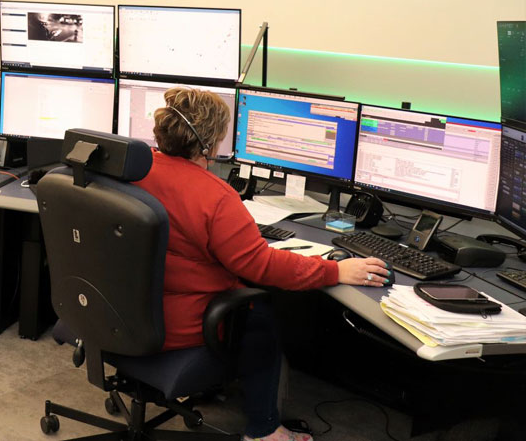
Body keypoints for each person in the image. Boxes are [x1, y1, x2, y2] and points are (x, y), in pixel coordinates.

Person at [132, 87, 389, 441]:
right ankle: (265, 430)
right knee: (258, 314)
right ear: (211, 143)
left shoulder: (135, 171)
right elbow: (261, 266)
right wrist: (336, 270)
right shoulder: (215, 196)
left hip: (125, 311)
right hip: (178, 325)